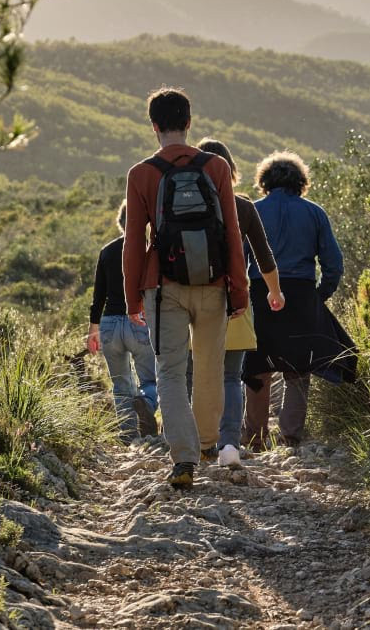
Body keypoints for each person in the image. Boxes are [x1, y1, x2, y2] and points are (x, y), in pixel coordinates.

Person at [123, 88, 249, 490]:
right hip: (213, 284)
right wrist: (240, 292)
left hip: (163, 287)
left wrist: (132, 297)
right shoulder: (215, 168)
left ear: (154, 126)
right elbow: (232, 231)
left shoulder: (141, 173)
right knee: (210, 368)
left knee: (170, 373)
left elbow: (133, 242)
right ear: (189, 122)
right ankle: (208, 443)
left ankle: (184, 458)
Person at [242, 151, 348, 449]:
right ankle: (290, 438)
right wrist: (318, 296)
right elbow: (334, 265)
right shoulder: (315, 213)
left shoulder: (254, 211)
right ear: (301, 181)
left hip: (260, 292)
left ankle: (255, 438)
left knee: (255, 367)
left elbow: (239, 260)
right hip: (301, 294)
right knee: (299, 370)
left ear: (264, 181)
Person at [193, 138, 285, 468]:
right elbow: (264, 257)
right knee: (231, 377)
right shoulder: (243, 206)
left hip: (192, 303)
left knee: (197, 376)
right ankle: (229, 443)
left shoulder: (186, 205)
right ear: (230, 170)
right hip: (235, 299)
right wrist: (275, 292)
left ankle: (199, 444)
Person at [87, 201, 158, 441]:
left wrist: (93, 330)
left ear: (120, 222)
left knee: (120, 385)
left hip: (109, 324)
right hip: (139, 321)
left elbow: (98, 296)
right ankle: (146, 403)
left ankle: (128, 436)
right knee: (151, 379)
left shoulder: (106, 251)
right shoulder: (149, 251)